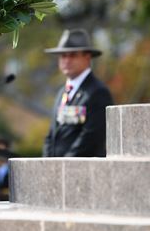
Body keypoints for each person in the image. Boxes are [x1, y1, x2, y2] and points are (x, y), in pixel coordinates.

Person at [43, 28, 114, 157]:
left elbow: (91, 138)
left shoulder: (98, 92)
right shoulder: (61, 93)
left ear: (87, 57)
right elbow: (52, 135)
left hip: (82, 171)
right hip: (56, 172)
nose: (67, 60)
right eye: (63, 55)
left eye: (73, 55)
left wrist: (63, 165)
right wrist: (47, 164)